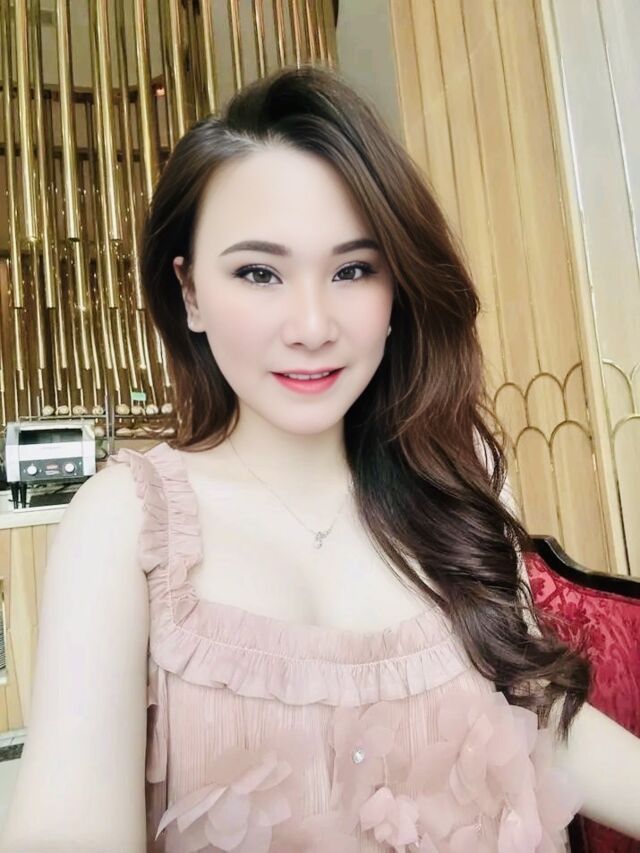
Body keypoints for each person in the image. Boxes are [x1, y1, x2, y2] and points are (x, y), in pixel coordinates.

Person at [2, 64, 639, 853]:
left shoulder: (455, 471)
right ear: (190, 291)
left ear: (396, 287)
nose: (311, 325)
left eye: (352, 270)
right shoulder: (124, 526)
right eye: (259, 272)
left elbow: (538, 719)